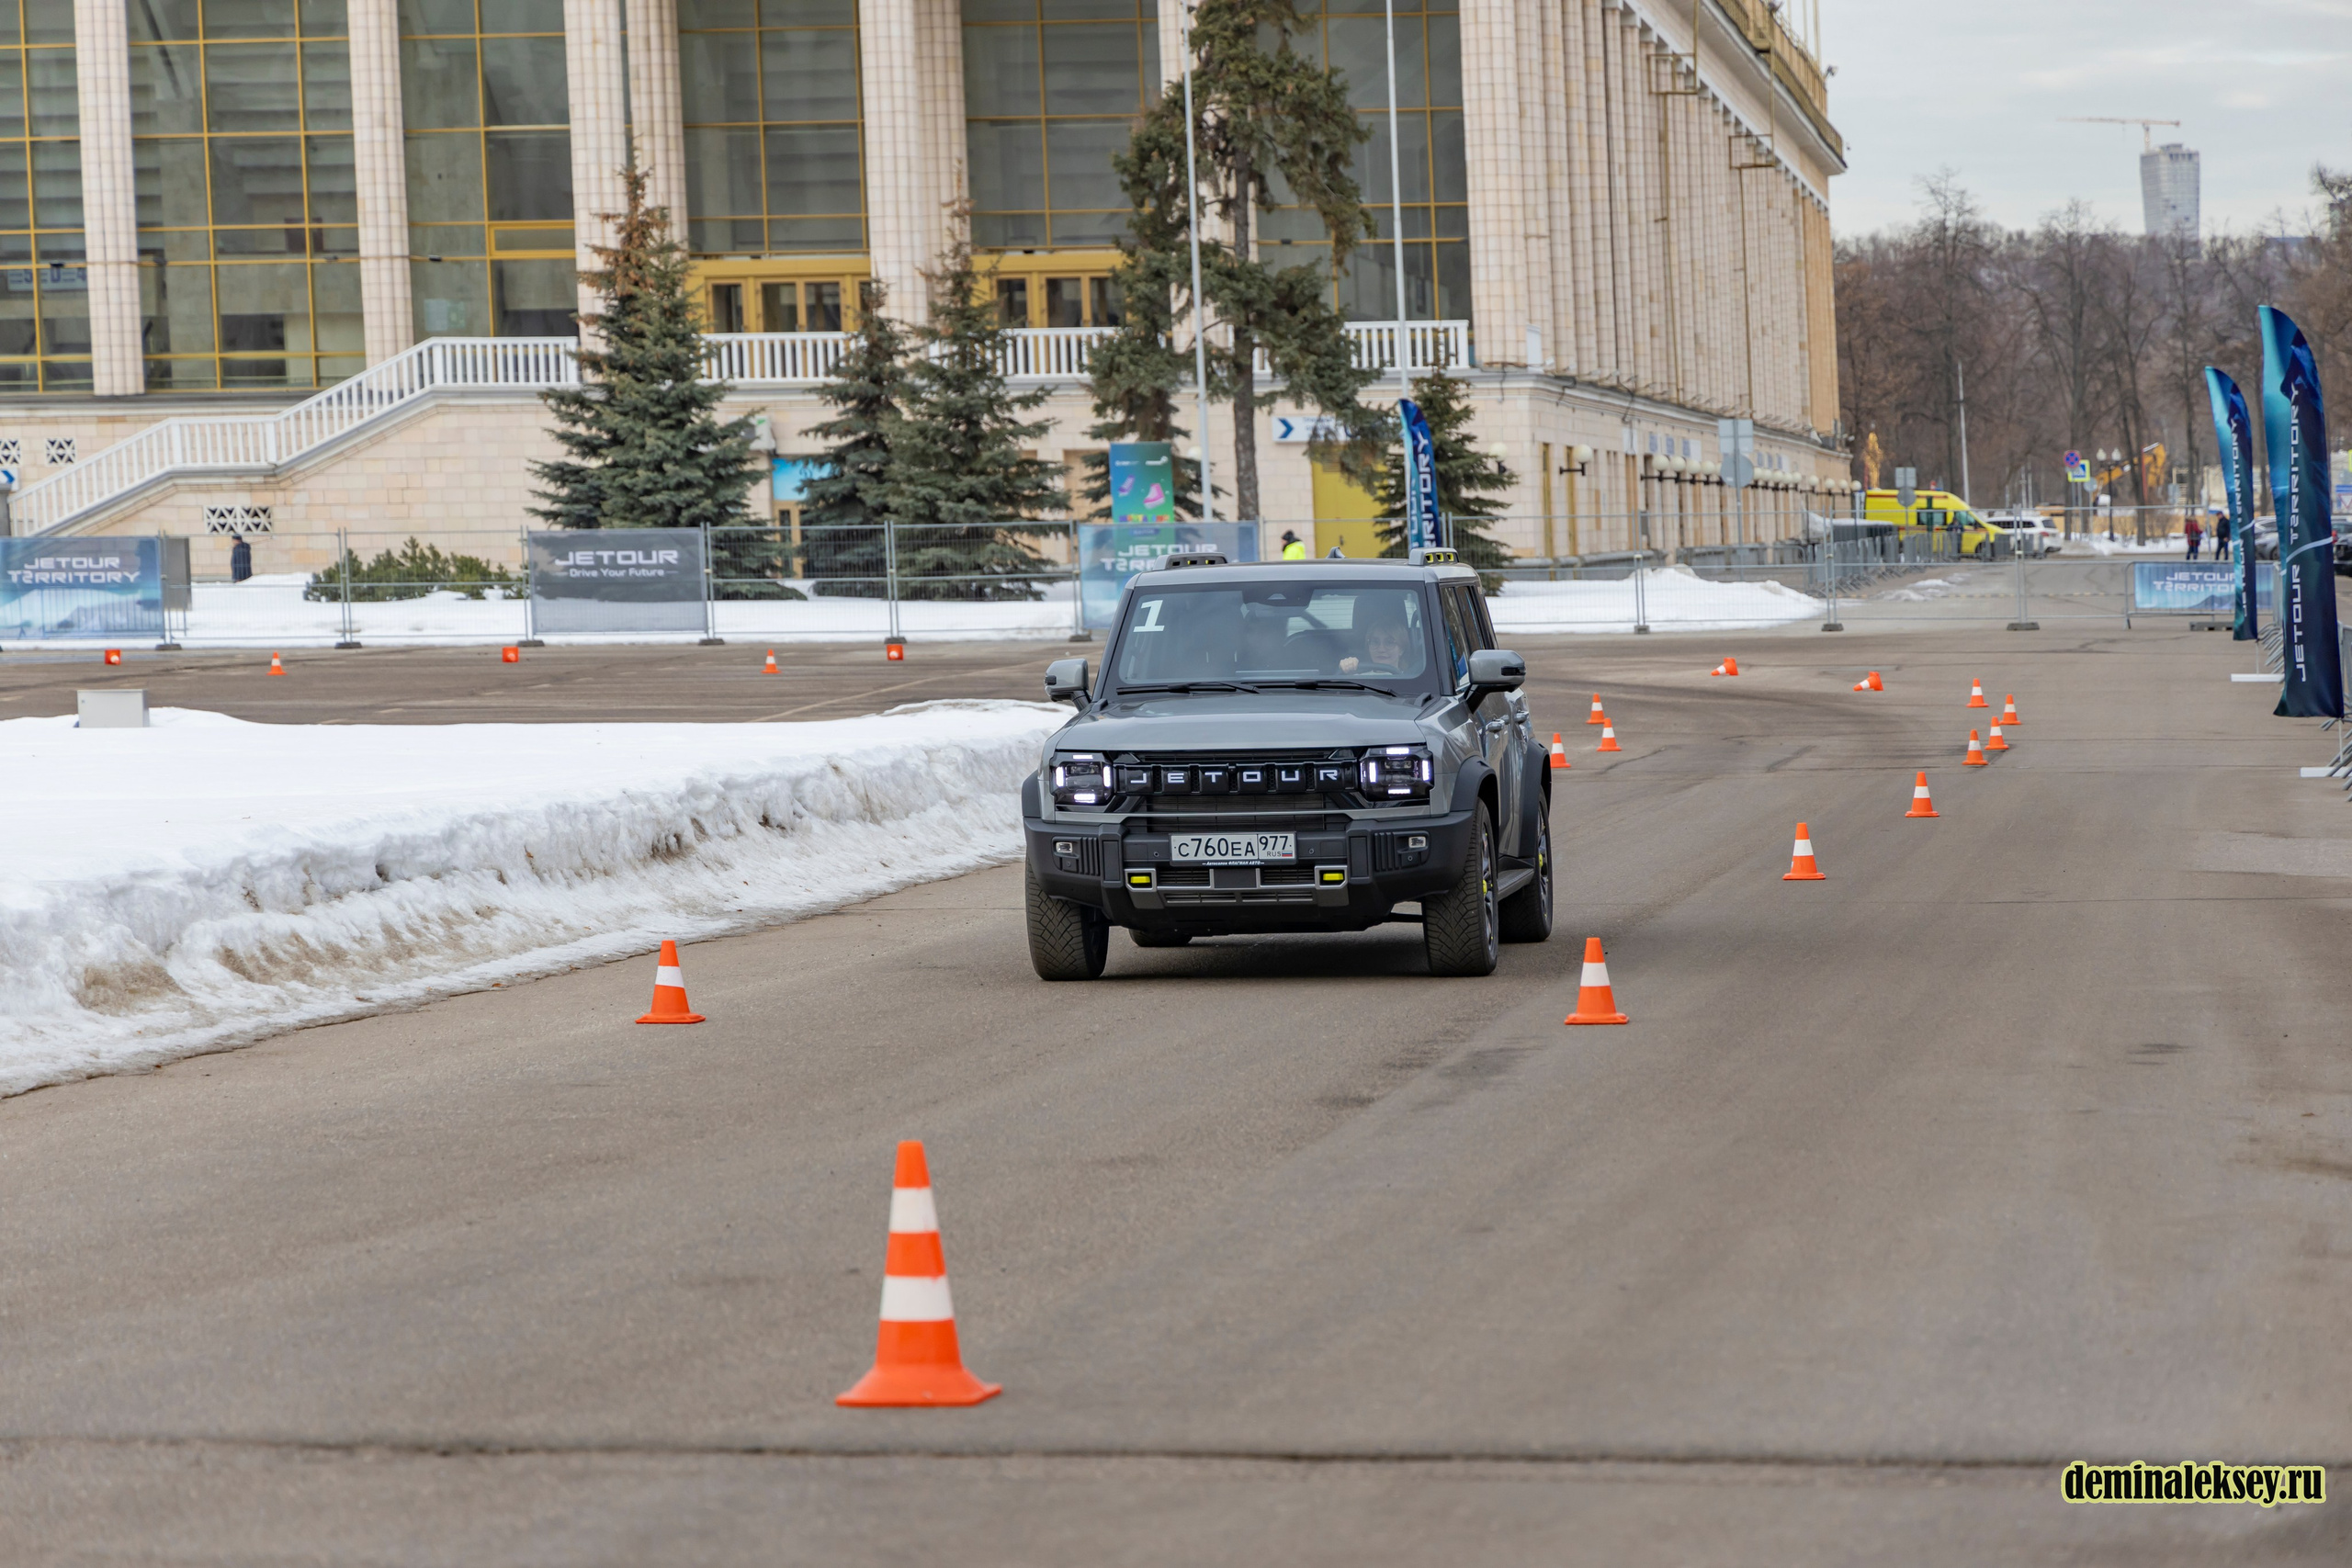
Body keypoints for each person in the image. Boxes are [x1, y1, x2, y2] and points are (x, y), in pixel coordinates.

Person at [1339, 609, 1412, 676]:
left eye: (1389, 642)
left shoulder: (1412, 680)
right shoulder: (1359, 679)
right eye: (1375, 642)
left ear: (1402, 649)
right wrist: (1347, 669)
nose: (1381, 649)